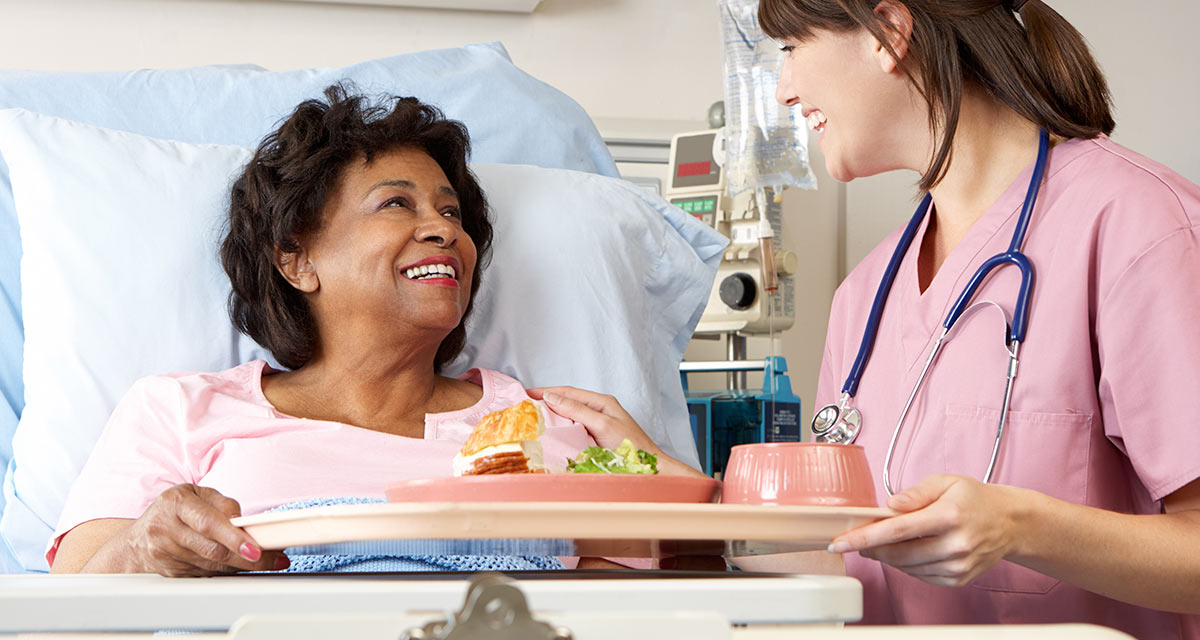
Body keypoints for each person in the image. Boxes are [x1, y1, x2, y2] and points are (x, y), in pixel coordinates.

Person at [546, 0, 1200, 635]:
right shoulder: (866, 295)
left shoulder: (1140, 229)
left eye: (791, 49)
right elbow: (851, 557)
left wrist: (1022, 528)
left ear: (888, 32)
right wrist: (688, 497)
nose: (784, 90)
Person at [47, 85, 608, 576]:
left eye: (452, 213)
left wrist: (673, 475)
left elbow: (635, 609)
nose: (443, 229)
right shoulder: (178, 411)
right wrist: (145, 546)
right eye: (396, 203)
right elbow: (68, 604)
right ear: (297, 260)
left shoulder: (549, 424)